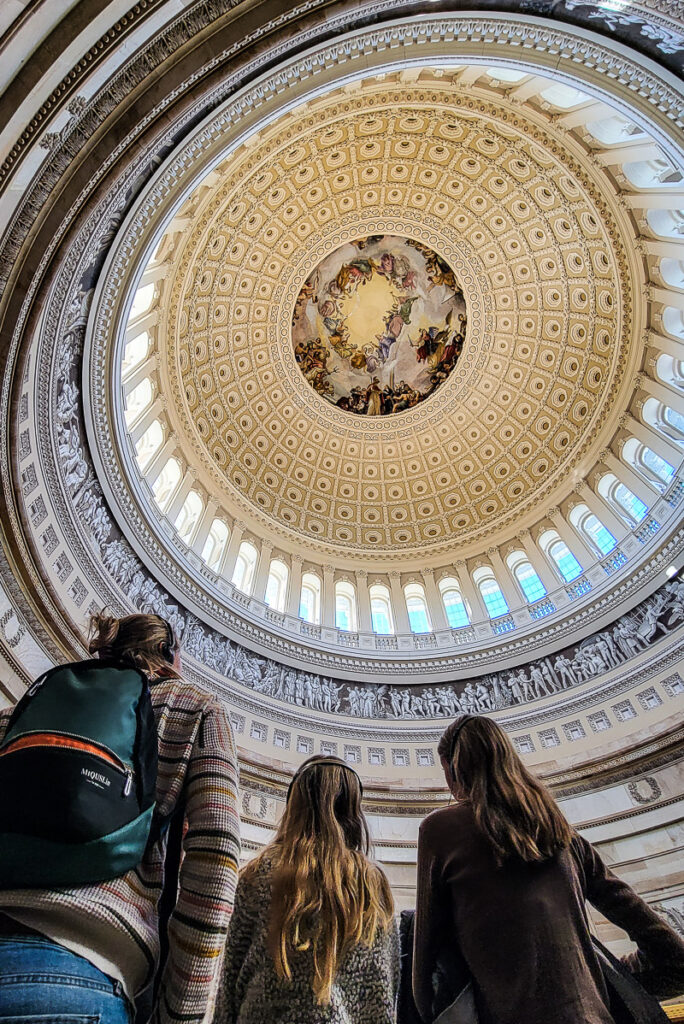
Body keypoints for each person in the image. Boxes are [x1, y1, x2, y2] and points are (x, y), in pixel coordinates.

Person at [0, 612, 240, 1024]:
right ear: (168, 654)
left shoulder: (36, 701)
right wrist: (178, 1014)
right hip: (78, 980)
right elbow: (215, 862)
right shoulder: (194, 706)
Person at [413, 714, 684, 1024]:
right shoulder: (564, 835)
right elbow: (675, 958)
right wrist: (598, 983)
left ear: (454, 768)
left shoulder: (439, 831)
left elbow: (424, 978)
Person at [216, 755, 399, 1023]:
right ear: (352, 808)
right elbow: (384, 987)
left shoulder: (256, 875)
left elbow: (230, 976)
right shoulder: (372, 885)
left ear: (296, 805)